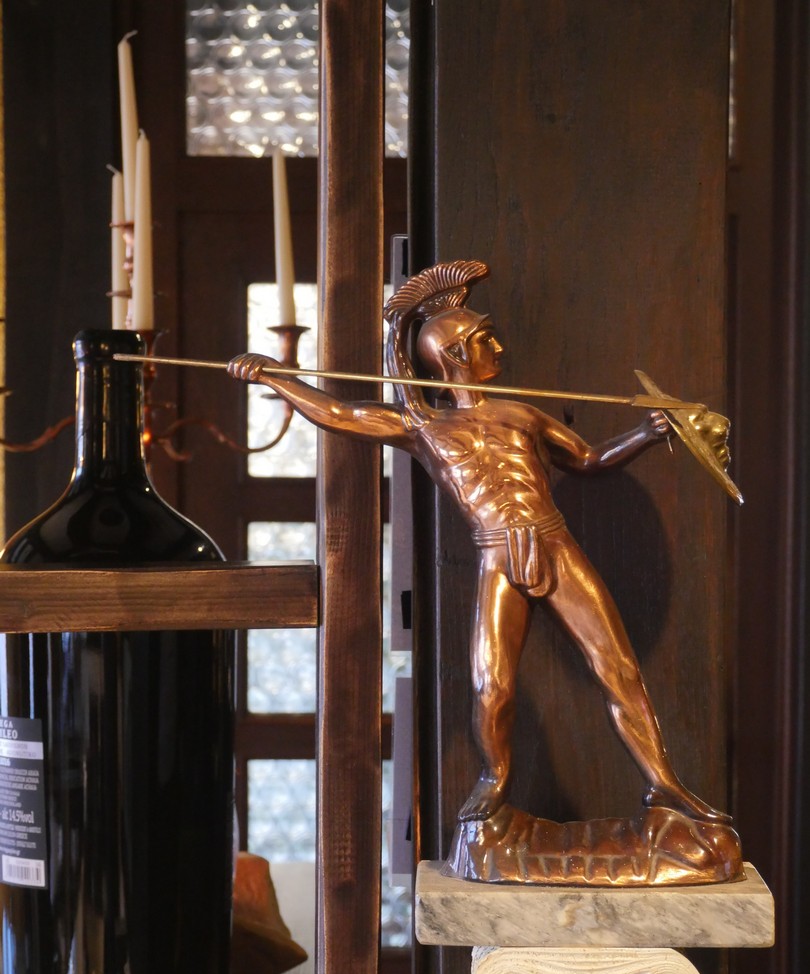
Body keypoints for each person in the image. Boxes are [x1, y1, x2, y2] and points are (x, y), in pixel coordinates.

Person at [228, 259, 728, 826]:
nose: (498, 346)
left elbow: (588, 460)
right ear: (456, 355)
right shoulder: (425, 429)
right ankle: (495, 778)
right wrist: (276, 377)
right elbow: (340, 414)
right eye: (485, 339)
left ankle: (664, 785)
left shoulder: (523, 415)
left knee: (618, 667)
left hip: (554, 543)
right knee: (492, 684)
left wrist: (645, 433)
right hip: (498, 554)